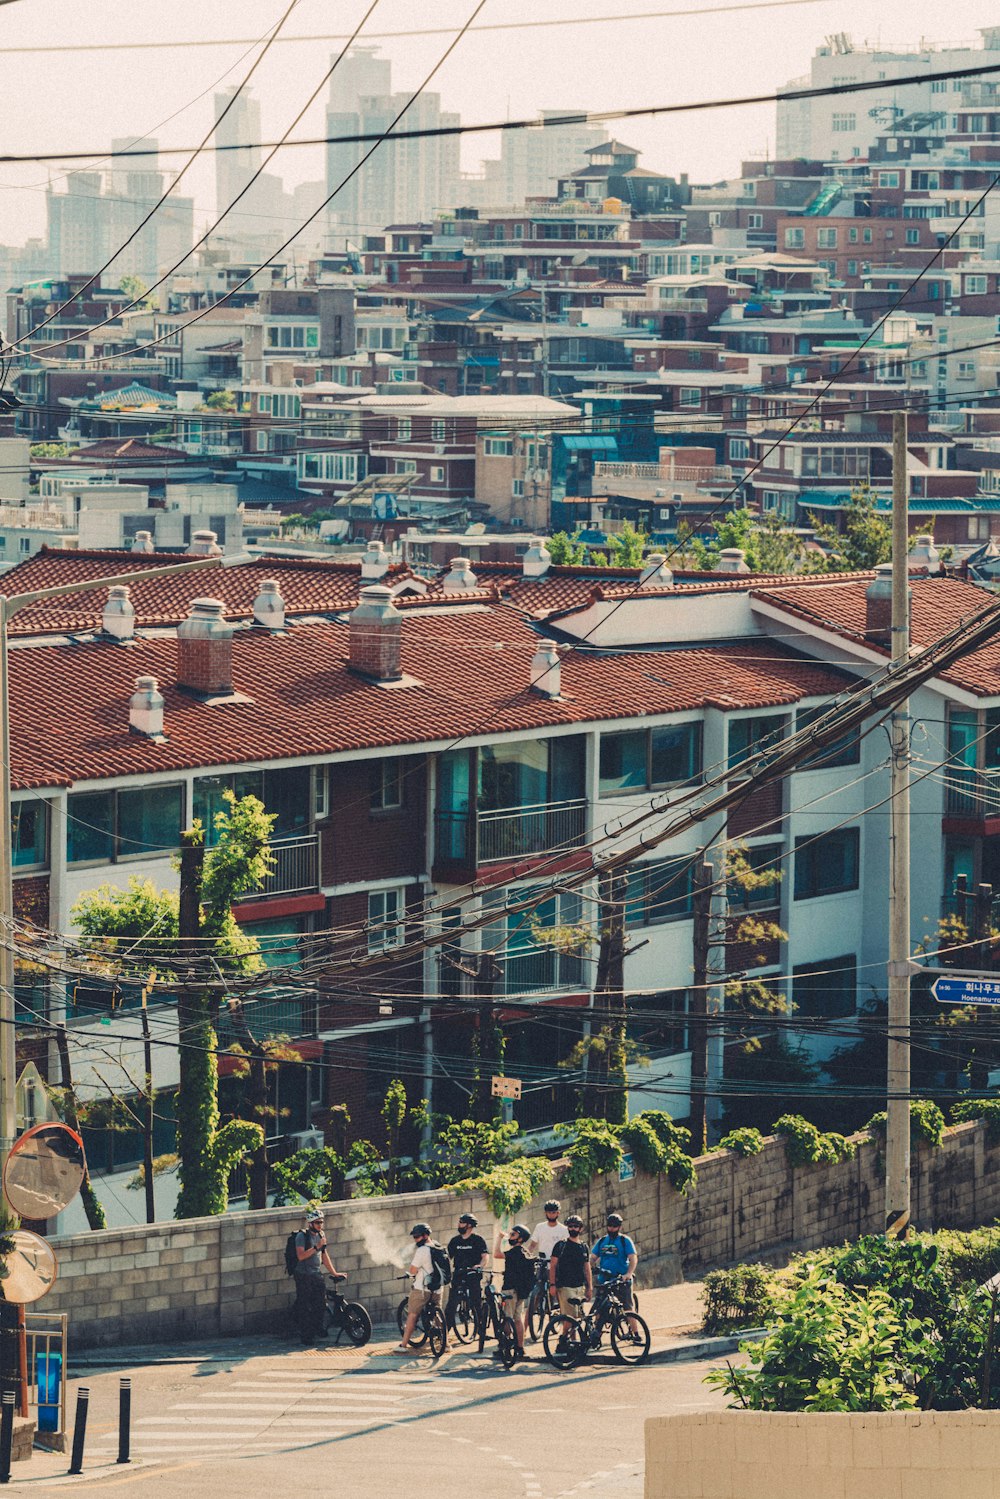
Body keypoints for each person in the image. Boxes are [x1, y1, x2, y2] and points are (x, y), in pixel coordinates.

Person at [394, 1223, 447, 1354]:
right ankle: (445, 1344)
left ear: (425, 1236)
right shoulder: (439, 1246)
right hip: (438, 1288)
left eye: (417, 1237)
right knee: (437, 1315)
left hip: (422, 1289)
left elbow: (413, 1270)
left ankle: (403, 1345)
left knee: (412, 1315)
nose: (415, 1239)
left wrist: (412, 1274)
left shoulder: (422, 1250)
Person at [590, 1211, 641, 1340]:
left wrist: (628, 1274)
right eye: (609, 1226)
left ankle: (635, 1334)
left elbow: (633, 1258)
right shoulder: (602, 1241)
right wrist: (590, 1266)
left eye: (614, 1226)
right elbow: (593, 1257)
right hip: (604, 1280)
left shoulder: (625, 1241)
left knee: (628, 1307)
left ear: (619, 1227)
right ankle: (596, 1335)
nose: (611, 1228)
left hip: (620, 1280)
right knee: (599, 1308)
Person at [293, 1209, 341, 1346]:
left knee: (320, 1304)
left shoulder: (321, 1234)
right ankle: (306, 1336)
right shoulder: (302, 1237)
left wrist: (334, 1272)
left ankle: (316, 1328)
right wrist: (316, 1247)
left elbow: (324, 1256)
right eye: (317, 1222)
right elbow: (301, 1256)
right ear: (310, 1223)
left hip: (316, 1274)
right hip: (303, 1275)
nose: (320, 1225)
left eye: (321, 1222)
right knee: (305, 1306)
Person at [492, 1222, 536, 1360]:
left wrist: (499, 1238)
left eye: (513, 1234)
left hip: (509, 1289)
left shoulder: (513, 1253)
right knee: (518, 1319)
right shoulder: (526, 1252)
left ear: (520, 1238)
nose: (510, 1236)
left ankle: (504, 1346)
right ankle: (520, 1347)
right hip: (521, 1291)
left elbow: (496, 1254)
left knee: (507, 1318)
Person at [447, 1213, 490, 1331]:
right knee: (451, 1304)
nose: (459, 1225)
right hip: (458, 1273)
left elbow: (485, 1256)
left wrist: (479, 1266)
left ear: (469, 1225)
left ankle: (481, 1330)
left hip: (472, 1273)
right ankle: (445, 1331)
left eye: (461, 1222)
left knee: (476, 1301)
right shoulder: (455, 1241)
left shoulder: (478, 1240)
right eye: (459, 1222)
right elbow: (447, 1258)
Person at [549, 1213, 592, 1318]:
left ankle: (570, 1335)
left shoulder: (584, 1247)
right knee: (569, 1318)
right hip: (565, 1287)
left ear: (580, 1229)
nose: (573, 1229)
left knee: (578, 1317)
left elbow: (587, 1268)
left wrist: (589, 1287)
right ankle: (564, 1335)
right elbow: (553, 1266)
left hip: (580, 1287)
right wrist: (552, 1285)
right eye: (570, 1226)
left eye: (576, 1226)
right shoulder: (560, 1245)